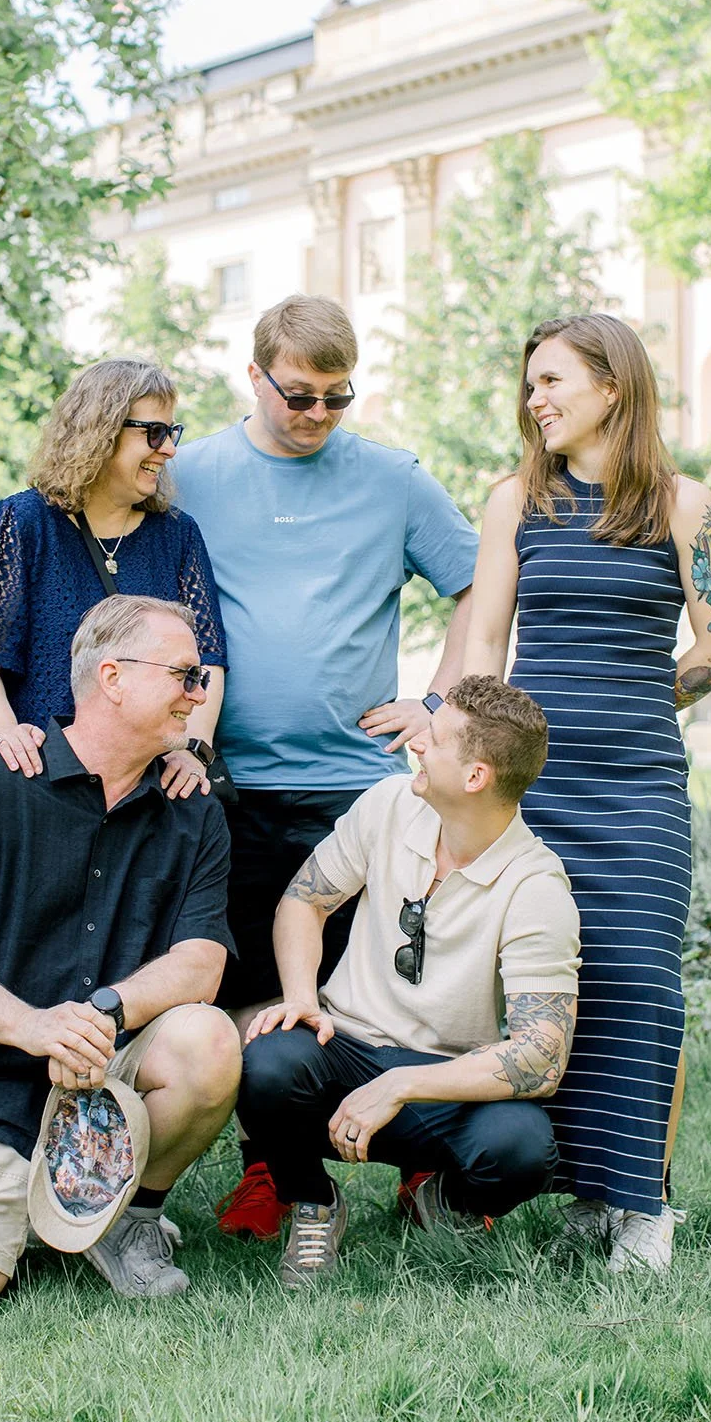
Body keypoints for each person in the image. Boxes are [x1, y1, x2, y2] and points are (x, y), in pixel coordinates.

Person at [173, 295, 481, 1239]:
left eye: (336, 397)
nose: (316, 414)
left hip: (359, 785)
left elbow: (479, 584)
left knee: (387, 986)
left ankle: (419, 1162)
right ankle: (274, 1172)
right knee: (249, 989)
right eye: (298, 395)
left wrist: (438, 703)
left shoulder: (392, 478)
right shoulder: (192, 474)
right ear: (254, 376)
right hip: (223, 782)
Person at [461, 313, 711, 1273]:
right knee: (546, 984)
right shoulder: (514, 502)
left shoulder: (686, 505)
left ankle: (644, 1204)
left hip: (637, 787)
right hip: (531, 788)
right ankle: (586, 1193)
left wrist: (643, 698)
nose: (534, 398)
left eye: (552, 380)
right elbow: (485, 637)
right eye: (530, 382)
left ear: (612, 385)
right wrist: (464, 738)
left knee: (640, 983)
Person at [0, 595, 241, 1315]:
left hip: (105, 1082)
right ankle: (7, 1200)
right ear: (113, 677)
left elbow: (201, 963)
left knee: (209, 1041)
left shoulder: (194, 809)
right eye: (185, 676)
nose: (200, 695)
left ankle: (125, 1220)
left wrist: (101, 1014)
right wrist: (34, 1028)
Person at [236, 675, 581, 1285]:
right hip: (345, 1048)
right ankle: (314, 1202)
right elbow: (304, 901)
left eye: (435, 738)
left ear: (475, 776)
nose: (416, 743)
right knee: (266, 1060)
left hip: (444, 1079)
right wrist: (301, 999)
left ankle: (440, 1200)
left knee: (522, 1148)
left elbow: (542, 1057)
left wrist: (401, 1084)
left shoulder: (536, 886)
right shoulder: (391, 803)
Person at [0, 358, 227, 800]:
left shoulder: (178, 535)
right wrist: (5, 734)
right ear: (102, 431)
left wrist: (194, 750)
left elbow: (206, 660)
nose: (169, 449)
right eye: (154, 433)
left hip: (141, 795)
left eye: (172, 432)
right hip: (36, 784)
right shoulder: (22, 522)